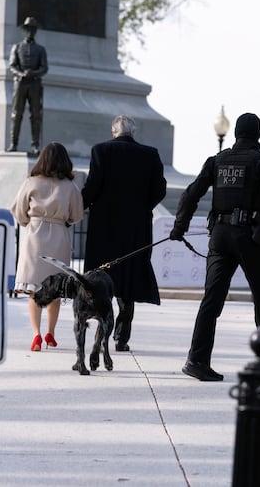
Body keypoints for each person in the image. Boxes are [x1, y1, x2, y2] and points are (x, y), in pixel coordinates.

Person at [169, 112, 260, 381]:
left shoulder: (217, 161)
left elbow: (191, 194)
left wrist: (179, 228)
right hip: (248, 237)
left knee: (211, 299)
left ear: (236, 133)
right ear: (258, 135)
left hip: (220, 236)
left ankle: (197, 360)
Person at [81, 115, 166, 351]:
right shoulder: (150, 154)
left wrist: (76, 208)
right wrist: (141, 207)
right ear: (133, 133)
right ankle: (121, 337)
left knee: (101, 280)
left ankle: (101, 334)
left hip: (104, 228)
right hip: (136, 229)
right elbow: (159, 190)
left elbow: (92, 188)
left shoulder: (101, 151)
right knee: (128, 283)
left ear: (113, 132)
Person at [10, 142, 84, 351]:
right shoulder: (70, 186)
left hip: (34, 236)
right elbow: (77, 214)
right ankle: (51, 332)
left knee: (35, 289)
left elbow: (18, 210)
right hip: (59, 236)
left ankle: (36, 335)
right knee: (56, 289)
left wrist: (29, 222)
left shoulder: (31, 182)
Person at [7, 16, 48, 155]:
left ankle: (35, 145)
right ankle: (13, 143)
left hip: (35, 83)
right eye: (28, 29)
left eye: (33, 29)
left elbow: (44, 68)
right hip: (20, 84)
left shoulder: (41, 49)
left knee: (35, 115)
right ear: (25, 30)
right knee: (16, 114)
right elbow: (12, 66)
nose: (31, 32)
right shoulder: (17, 47)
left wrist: (33, 73)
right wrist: (20, 74)